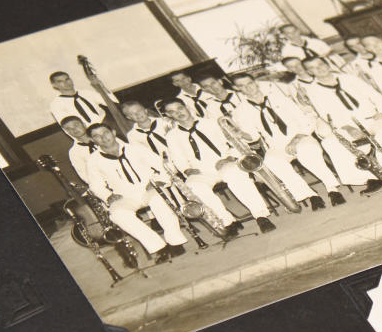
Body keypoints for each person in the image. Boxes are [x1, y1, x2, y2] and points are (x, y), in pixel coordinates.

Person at [230, 72, 347, 209]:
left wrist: (296, 139)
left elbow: (304, 119)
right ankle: (310, 195)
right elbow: (253, 137)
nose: (248, 88)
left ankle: (332, 189)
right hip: (275, 145)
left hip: (300, 135)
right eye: (242, 86)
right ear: (237, 89)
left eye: (250, 83)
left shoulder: (278, 97)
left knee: (307, 150)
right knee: (272, 161)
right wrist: (241, 134)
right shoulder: (240, 111)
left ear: (255, 82)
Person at [162, 99, 277, 234]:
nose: (178, 113)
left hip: (224, 161)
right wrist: (187, 170)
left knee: (235, 174)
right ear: (169, 116)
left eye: (180, 108)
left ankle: (261, 216)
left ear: (186, 106)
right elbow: (178, 158)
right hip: (201, 170)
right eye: (172, 112)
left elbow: (234, 142)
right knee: (194, 186)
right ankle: (227, 222)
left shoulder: (211, 123)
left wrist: (229, 157)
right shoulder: (172, 136)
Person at [85, 123, 189, 263]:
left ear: (113, 132)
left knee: (160, 201)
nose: (103, 138)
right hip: (124, 195)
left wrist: (159, 181)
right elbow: (96, 185)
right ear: (92, 140)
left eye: (105, 133)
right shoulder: (93, 160)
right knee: (118, 214)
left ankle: (175, 242)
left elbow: (161, 165)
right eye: (96, 136)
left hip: (149, 188)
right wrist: (108, 196)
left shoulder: (135, 148)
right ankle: (159, 247)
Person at [302, 56, 382, 175]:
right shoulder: (313, 91)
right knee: (331, 143)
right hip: (346, 125)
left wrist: (381, 112)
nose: (319, 69)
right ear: (309, 72)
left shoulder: (349, 79)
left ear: (327, 64)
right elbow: (326, 114)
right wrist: (348, 127)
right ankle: (369, 178)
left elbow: (376, 96)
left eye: (320, 64)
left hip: (371, 118)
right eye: (313, 68)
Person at [48, 71, 114, 126]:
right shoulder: (56, 104)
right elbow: (68, 126)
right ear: (54, 85)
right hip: (89, 131)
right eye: (60, 81)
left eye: (67, 79)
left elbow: (113, 102)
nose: (66, 83)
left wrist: (102, 86)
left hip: (108, 123)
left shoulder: (86, 92)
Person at [58, 116, 98, 185]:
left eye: (76, 125)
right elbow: (85, 176)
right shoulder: (74, 152)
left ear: (84, 124)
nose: (74, 129)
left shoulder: (101, 136)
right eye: (69, 129)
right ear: (67, 132)